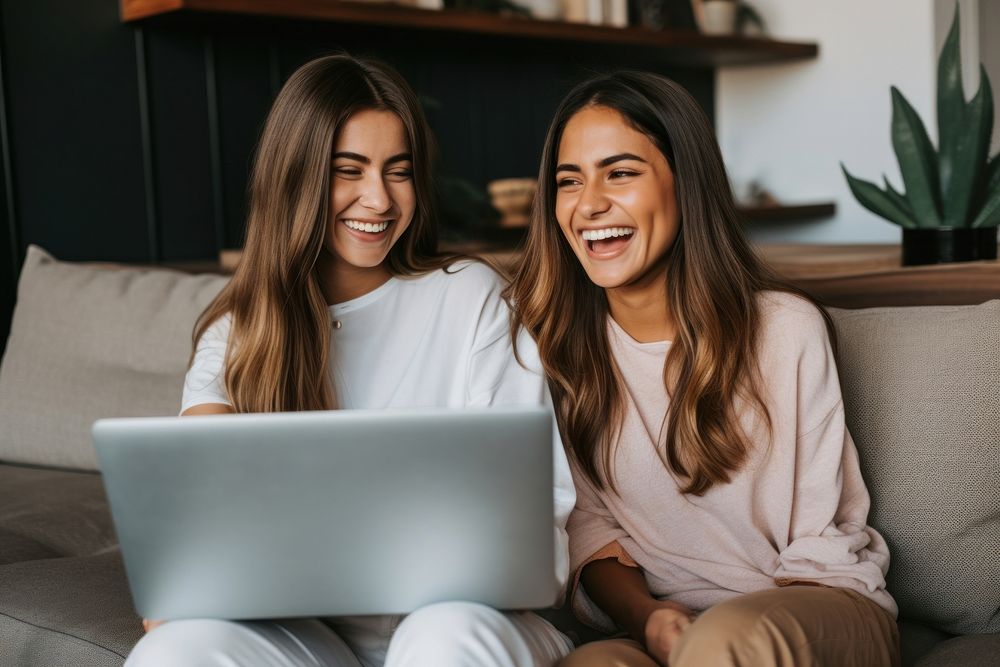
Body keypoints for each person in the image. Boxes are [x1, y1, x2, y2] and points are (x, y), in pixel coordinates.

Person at [125, 54, 575, 667]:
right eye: (348, 170)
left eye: (399, 170)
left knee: (440, 640)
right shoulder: (242, 327)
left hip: (467, 618)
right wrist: (183, 584)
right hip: (312, 634)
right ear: (296, 177)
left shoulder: (471, 297)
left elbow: (540, 517)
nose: (379, 198)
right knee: (174, 650)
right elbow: (196, 531)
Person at [506, 71, 900, 667]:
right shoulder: (559, 348)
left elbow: (820, 533)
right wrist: (652, 619)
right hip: (657, 625)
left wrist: (716, 638)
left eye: (621, 172)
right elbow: (590, 530)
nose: (589, 204)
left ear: (684, 184)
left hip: (815, 606)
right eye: (569, 181)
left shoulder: (785, 330)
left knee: (721, 645)